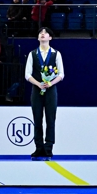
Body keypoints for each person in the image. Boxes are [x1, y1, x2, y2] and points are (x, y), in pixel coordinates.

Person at [25, 27, 64, 159]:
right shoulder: (32, 54)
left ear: (50, 37)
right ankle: (38, 147)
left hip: (51, 90)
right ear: (38, 38)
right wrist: (38, 84)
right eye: (40, 33)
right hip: (37, 89)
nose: (43, 34)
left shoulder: (56, 54)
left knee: (50, 119)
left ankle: (48, 147)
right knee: (37, 119)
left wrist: (50, 83)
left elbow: (61, 74)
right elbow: (27, 74)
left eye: (45, 33)